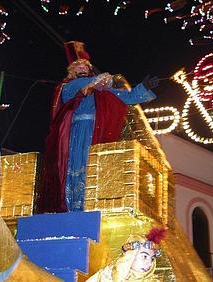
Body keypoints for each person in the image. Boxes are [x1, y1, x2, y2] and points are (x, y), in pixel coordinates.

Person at [38, 41, 159, 213]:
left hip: (95, 130)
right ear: (72, 70)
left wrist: (143, 87)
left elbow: (125, 97)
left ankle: (88, 206)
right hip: (75, 131)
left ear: (88, 68)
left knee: (91, 165)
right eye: (77, 65)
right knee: (74, 165)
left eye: (84, 65)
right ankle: (71, 206)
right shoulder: (67, 87)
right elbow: (86, 87)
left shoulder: (100, 88)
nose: (81, 67)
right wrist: (100, 80)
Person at [87, 227, 166, 281]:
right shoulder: (106, 275)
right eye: (144, 256)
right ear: (131, 254)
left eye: (152, 259)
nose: (149, 263)